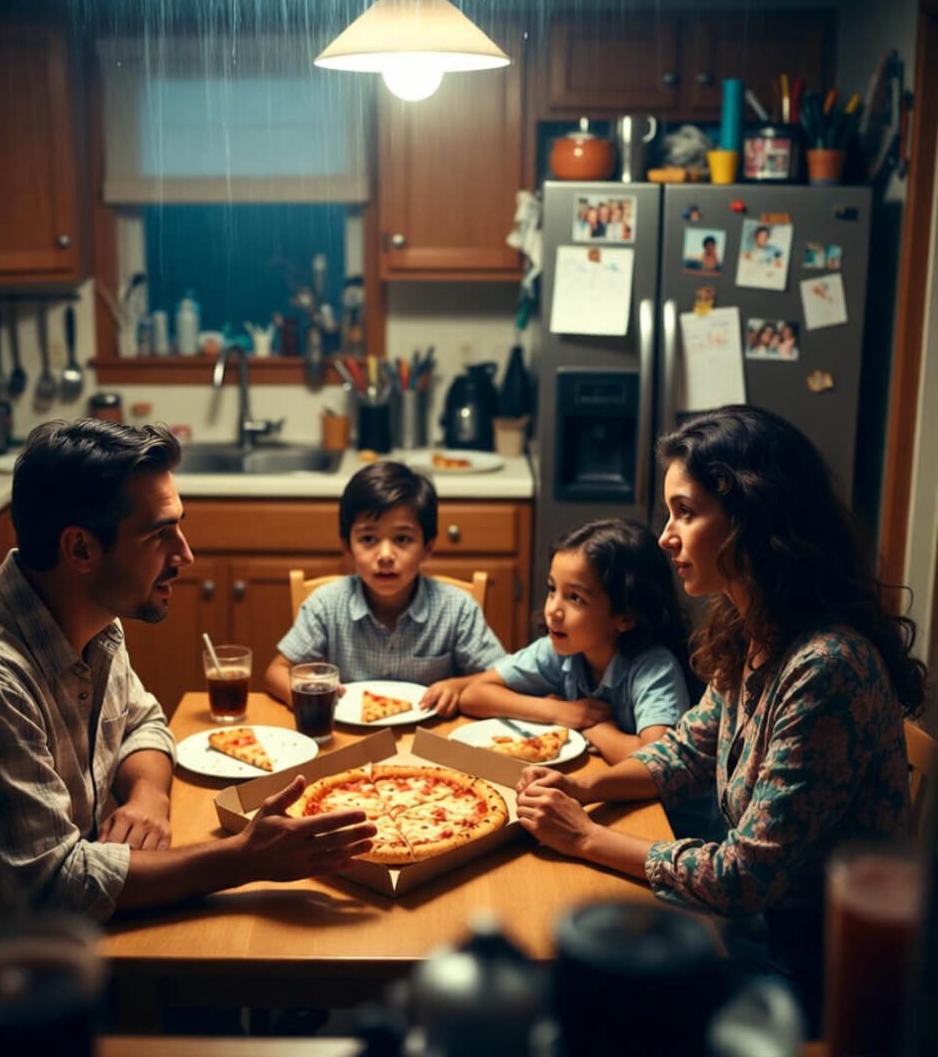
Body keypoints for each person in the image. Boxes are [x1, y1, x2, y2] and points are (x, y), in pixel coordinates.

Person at [515, 405, 926, 1029]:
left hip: (811, 969)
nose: (665, 537)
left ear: (753, 519)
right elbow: (687, 749)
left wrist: (585, 837)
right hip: (751, 929)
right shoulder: (750, 627)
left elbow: (744, 876)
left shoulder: (826, 666)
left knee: (589, 997)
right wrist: (581, 785)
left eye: (686, 512)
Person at [0, 420, 376, 931]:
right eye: (161, 535)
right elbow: (60, 885)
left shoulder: (87, 613)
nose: (185, 554)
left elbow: (143, 722)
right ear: (80, 551)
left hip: (65, 929)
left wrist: (148, 797)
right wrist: (248, 858)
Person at [264, 460, 505, 716]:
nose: (386, 555)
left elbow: (502, 676)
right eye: (369, 539)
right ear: (348, 547)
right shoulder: (326, 604)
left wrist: (459, 685)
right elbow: (276, 672)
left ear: (428, 547)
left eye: (402, 539)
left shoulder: (457, 609)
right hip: (348, 741)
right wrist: (308, 691)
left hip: (430, 743)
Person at [459, 519, 693, 762]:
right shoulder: (559, 649)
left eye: (575, 598)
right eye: (552, 589)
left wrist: (596, 727)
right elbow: (473, 695)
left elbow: (658, 763)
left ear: (626, 616)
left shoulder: (654, 668)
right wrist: (560, 712)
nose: (553, 610)